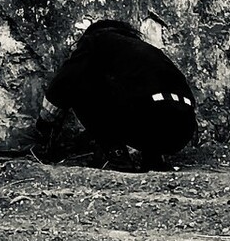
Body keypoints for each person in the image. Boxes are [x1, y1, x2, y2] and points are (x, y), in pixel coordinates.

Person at [34, 19, 197, 171]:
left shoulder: (96, 39)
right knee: (150, 96)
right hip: (183, 129)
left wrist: (44, 125)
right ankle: (153, 159)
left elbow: (66, 80)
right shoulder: (147, 51)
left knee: (79, 81)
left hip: (148, 117)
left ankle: (116, 154)